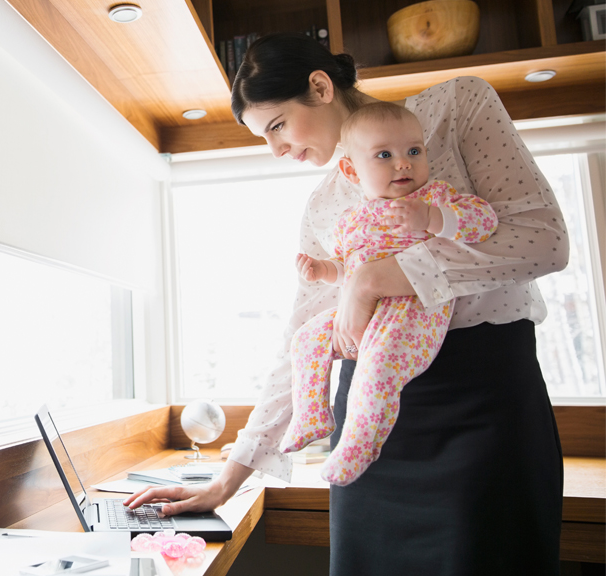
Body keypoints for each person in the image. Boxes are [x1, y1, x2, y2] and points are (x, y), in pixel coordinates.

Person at [125, 32, 567, 575]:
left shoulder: (458, 106)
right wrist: (227, 478)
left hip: (485, 408)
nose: (276, 149)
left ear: (319, 86)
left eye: (278, 125)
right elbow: (300, 343)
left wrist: (378, 279)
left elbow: (543, 239)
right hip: (365, 430)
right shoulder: (323, 207)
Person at [279, 102, 498, 486]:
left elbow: (485, 221)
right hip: (362, 314)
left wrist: (432, 217)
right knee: (306, 339)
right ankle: (312, 414)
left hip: (414, 312)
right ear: (351, 170)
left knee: (377, 371)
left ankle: (359, 445)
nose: (403, 164)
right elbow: (350, 270)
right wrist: (323, 270)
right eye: (385, 155)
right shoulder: (353, 220)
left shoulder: (435, 197)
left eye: (414, 151)